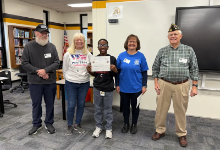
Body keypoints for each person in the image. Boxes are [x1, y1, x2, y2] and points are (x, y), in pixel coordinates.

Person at [151, 24, 199, 147]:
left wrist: (194, 85)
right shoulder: (162, 51)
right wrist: (156, 82)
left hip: (181, 85)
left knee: (180, 110)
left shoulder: (189, 50)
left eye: (175, 34)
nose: (173, 36)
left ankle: (181, 133)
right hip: (164, 84)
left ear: (180, 36)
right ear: (168, 37)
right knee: (161, 109)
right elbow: (155, 68)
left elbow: (194, 68)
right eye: (171, 35)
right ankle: (160, 130)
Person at [21, 24, 60, 135]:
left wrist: (46, 70)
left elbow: (57, 62)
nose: (44, 35)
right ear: (36, 33)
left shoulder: (52, 46)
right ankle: (36, 124)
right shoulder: (29, 46)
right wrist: (39, 71)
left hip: (50, 81)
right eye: (42, 32)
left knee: (50, 104)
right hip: (35, 82)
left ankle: (49, 123)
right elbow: (24, 63)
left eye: (46, 33)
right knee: (36, 104)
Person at [116, 34, 149, 134]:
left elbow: (144, 72)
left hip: (137, 88)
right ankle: (126, 123)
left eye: (134, 41)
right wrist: (117, 84)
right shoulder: (121, 56)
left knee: (135, 107)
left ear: (137, 44)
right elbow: (117, 71)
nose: (132, 43)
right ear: (127, 43)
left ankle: (134, 124)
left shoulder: (141, 56)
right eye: (130, 41)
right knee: (125, 107)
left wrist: (144, 85)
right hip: (124, 87)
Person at [86, 39, 118, 139]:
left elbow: (116, 73)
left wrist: (114, 69)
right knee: (97, 109)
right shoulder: (95, 59)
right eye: (100, 45)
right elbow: (94, 74)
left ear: (108, 47)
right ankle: (98, 127)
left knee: (108, 109)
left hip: (108, 87)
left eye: (105, 45)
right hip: (97, 87)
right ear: (98, 47)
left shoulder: (112, 59)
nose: (103, 46)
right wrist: (89, 71)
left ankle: (108, 128)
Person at [63, 33, 92, 135]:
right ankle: (70, 124)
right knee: (71, 105)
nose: (79, 41)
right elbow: (64, 69)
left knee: (81, 104)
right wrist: (69, 78)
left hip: (84, 83)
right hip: (71, 83)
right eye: (77, 40)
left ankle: (77, 123)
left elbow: (92, 68)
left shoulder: (88, 54)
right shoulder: (68, 54)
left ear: (84, 42)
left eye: (81, 40)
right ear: (74, 42)